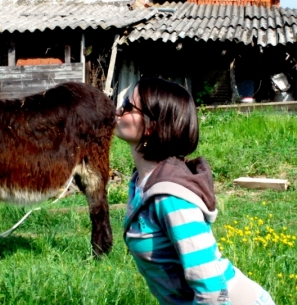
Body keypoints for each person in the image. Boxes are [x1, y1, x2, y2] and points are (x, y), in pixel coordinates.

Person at [116, 78, 274, 305]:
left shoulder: (170, 197)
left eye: (128, 106)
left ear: (152, 125)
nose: (119, 110)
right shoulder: (141, 184)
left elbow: (213, 290)